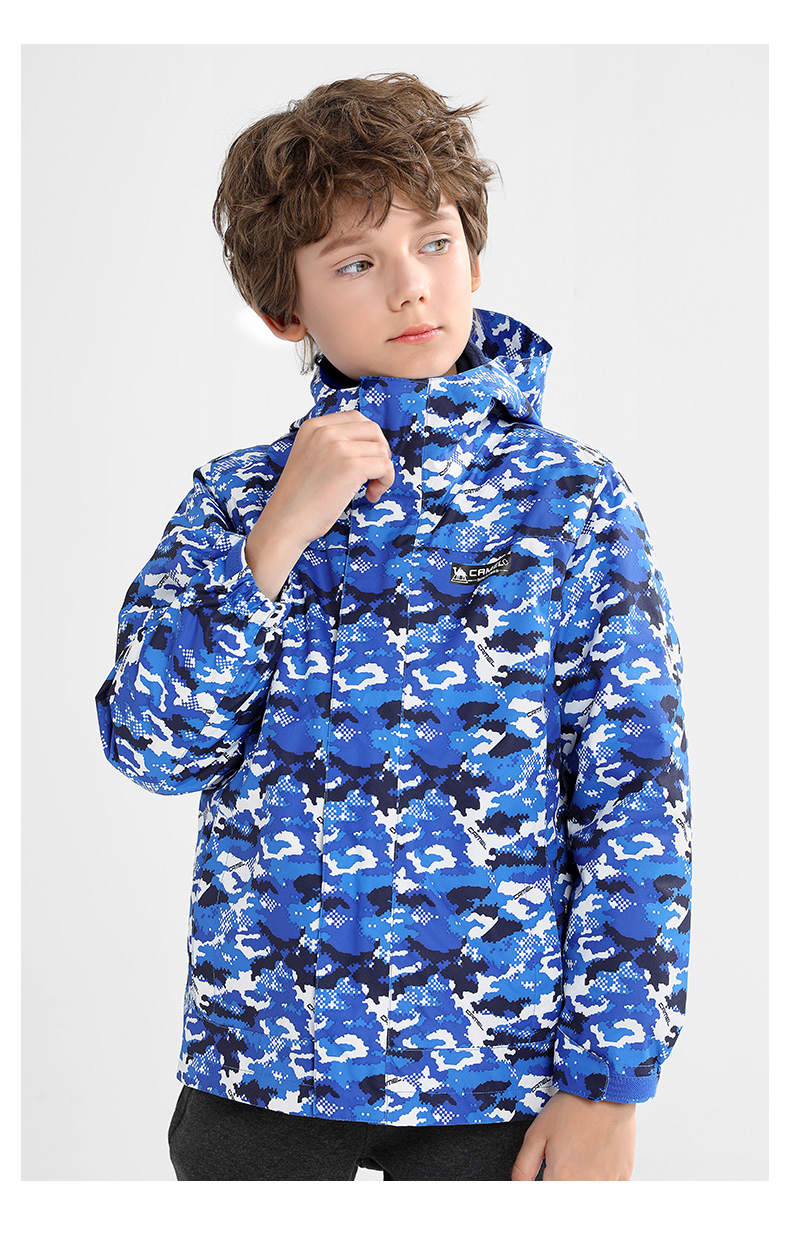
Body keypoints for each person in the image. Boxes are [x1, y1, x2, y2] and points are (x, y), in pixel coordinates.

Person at [95, 72, 692, 1182]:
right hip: (261, 1066)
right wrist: (276, 537)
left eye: (435, 242)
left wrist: (610, 1085)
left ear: (474, 254)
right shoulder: (237, 501)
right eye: (356, 263)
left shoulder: (570, 498)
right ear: (285, 312)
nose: (412, 284)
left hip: (501, 1080)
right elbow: (152, 748)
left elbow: (634, 793)